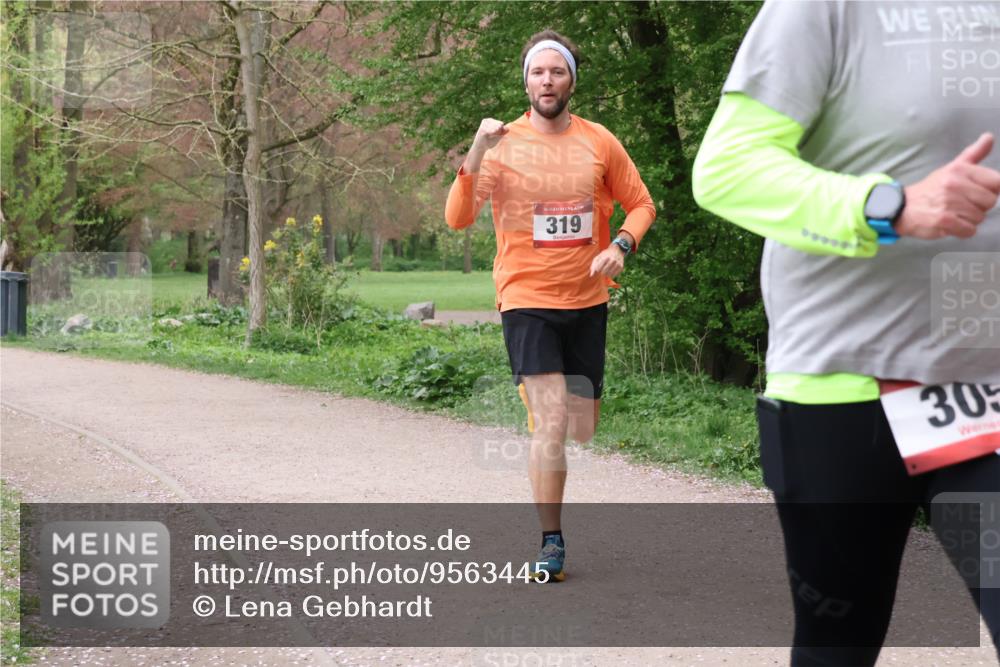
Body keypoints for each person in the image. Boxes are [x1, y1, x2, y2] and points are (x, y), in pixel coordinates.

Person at [693, 1, 1000, 664]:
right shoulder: (825, 9)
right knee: (838, 645)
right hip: (846, 381)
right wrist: (886, 205)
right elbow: (727, 169)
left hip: (987, 384)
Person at [445, 30, 656, 582]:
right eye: (537, 72)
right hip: (526, 298)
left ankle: (546, 416)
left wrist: (620, 245)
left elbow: (641, 205)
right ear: (526, 83)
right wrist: (476, 148)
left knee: (580, 425)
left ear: (570, 82)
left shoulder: (599, 142)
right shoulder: (500, 144)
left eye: (556, 72)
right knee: (554, 420)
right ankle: (551, 542)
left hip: (587, 299)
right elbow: (458, 218)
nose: (547, 81)